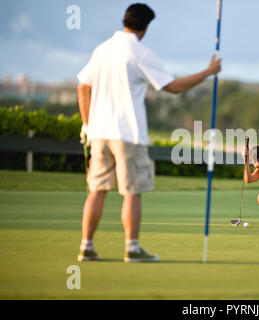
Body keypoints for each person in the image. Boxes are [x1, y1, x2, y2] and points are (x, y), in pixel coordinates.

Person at [76, 3, 221, 262]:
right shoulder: (140, 52)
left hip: (99, 133)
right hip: (127, 134)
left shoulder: (102, 50)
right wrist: (208, 72)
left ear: (125, 20)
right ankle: (132, 249)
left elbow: (82, 87)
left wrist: (88, 124)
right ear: (145, 27)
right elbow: (173, 87)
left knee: (96, 190)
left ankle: (86, 246)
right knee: (132, 191)